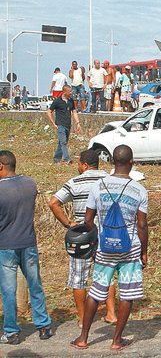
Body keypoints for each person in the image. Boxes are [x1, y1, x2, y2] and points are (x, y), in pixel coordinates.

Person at [71, 145, 149, 351]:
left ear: (112, 162)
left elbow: (88, 220)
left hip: (105, 248)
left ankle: (83, 338)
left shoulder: (98, 186)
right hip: (130, 248)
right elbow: (141, 225)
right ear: (131, 162)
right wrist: (144, 251)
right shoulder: (139, 190)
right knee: (127, 294)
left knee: (96, 292)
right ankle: (116, 340)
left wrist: (96, 239)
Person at [48, 149, 117, 327]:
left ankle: (82, 318)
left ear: (85, 165)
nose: (78, 167)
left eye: (79, 163)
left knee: (79, 277)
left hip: (83, 235)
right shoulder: (110, 181)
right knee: (106, 274)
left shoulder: (74, 182)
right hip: (106, 233)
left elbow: (53, 202)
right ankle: (111, 313)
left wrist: (68, 224)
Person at [0, 150, 53, 345]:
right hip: (28, 243)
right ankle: (44, 326)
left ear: (1, 166)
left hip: (5, 246)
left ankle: (12, 331)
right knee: (35, 285)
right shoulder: (30, 183)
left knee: (8, 290)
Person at [47, 85, 81, 163]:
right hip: (60, 125)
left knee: (61, 143)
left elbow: (74, 112)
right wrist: (53, 124)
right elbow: (49, 112)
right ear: (64, 92)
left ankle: (56, 159)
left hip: (68, 125)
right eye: (69, 91)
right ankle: (67, 159)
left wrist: (77, 123)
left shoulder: (70, 101)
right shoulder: (57, 101)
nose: (71, 93)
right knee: (63, 142)